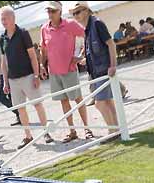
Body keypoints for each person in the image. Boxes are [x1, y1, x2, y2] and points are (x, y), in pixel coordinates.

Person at [0, 5, 53, 148]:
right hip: (13, 79)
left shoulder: (23, 33)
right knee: (21, 109)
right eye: (1, 19)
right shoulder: (2, 38)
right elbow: (4, 62)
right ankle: (28, 136)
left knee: (37, 104)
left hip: (28, 76)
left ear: (12, 18)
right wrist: (5, 82)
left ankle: (46, 132)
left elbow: (32, 56)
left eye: (5, 18)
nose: (3, 21)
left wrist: (36, 75)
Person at [40, 1, 93, 143]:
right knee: (63, 102)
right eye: (48, 11)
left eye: (53, 11)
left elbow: (88, 34)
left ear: (59, 11)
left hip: (69, 70)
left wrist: (81, 55)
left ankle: (87, 129)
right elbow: (43, 49)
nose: (50, 14)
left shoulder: (70, 24)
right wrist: (41, 65)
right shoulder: (44, 28)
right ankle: (72, 131)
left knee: (77, 99)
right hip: (54, 72)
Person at [71, 1, 119, 134]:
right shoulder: (88, 28)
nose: (76, 16)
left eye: (78, 12)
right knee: (108, 102)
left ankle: (112, 131)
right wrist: (86, 59)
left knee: (100, 103)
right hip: (97, 71)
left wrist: (113, 65)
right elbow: (97, 49)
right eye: (74, 14)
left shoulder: (97, 23)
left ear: (86, 11)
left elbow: (111, 44)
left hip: (104, 70)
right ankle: (117, 129)